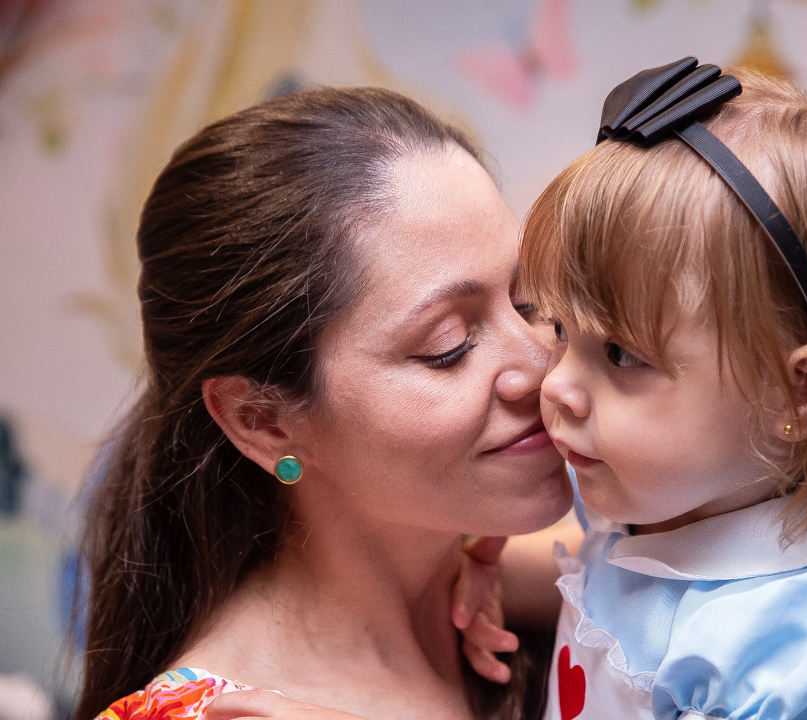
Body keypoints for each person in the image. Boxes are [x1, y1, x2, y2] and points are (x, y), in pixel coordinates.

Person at [76, 86, 575, 720]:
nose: (543, 367)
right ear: (264, 421)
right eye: (447, 346)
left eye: (529, 302)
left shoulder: (552, 596)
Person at [510, 61, 807, 720]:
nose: (557, 386)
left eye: (621, 354)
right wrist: (471, 576)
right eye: (558, 329)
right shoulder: (663, 501)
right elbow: (607, 585)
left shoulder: (794, 652)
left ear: (798, 392)